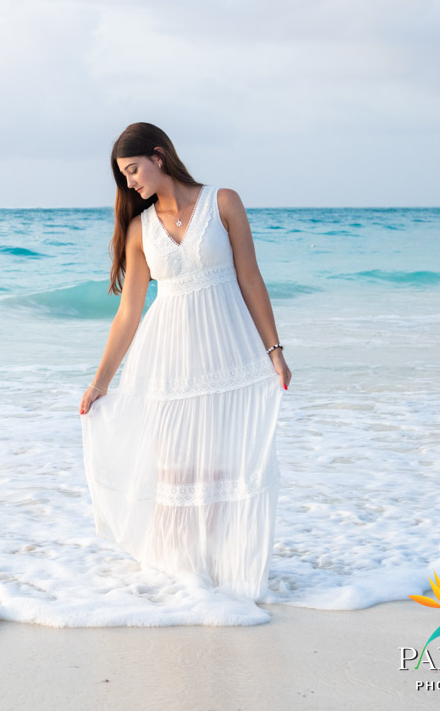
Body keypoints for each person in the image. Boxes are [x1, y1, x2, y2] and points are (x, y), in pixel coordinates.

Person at [79, 122, 291, 600]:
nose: (130, 182)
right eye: (124, 176)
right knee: (174, 471)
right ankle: (181, 581)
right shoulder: (139, 228)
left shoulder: (223, 203)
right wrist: (100, 383)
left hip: (228, 358)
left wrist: (274, 351)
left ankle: (223, 578)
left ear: (159, 156)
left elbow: (251, 280)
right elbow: (129, 312)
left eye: (133, 170)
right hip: (167, 364)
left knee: (224, 469)